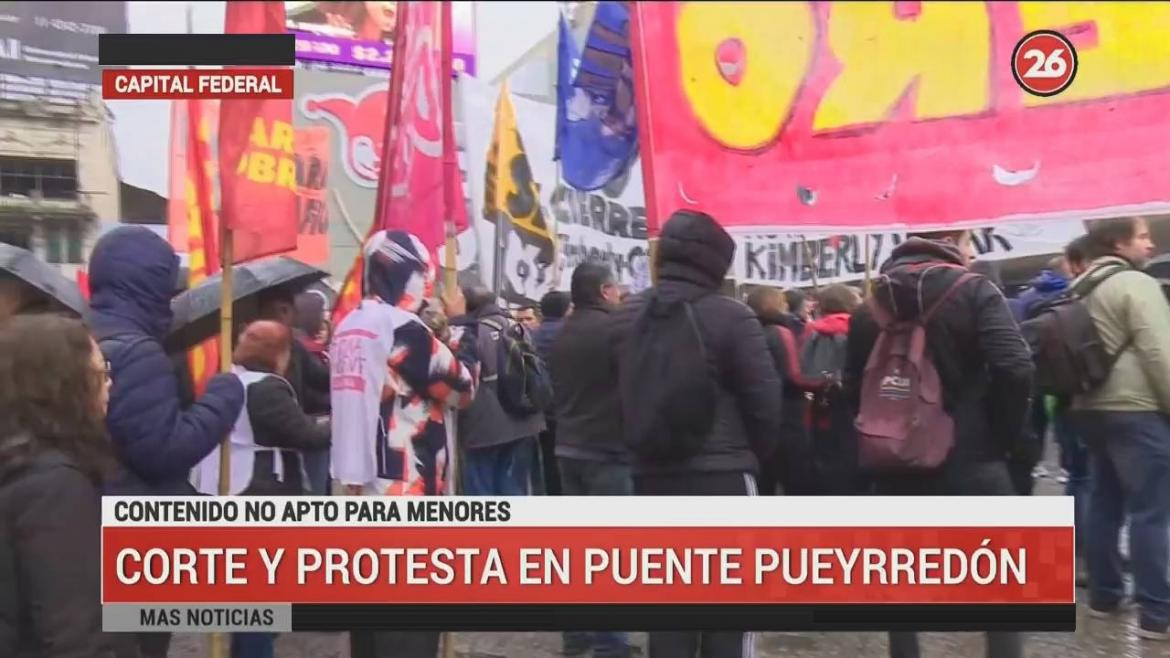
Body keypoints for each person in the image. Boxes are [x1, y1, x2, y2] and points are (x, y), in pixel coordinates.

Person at [844, 229, 1034, 658]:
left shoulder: (870, 306)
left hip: (894, 458)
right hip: (973, 454)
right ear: (951, 239)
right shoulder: (975, 290)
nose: (970, 251)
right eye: (968, 241)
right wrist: (1002, 434)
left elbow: (854, 385)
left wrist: (883, 430)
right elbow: (1015, 366)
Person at [613, 209, 782, 658]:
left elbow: (618, 395)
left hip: (652, 481)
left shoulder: (628, 315)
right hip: (723, 481)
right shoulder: (732, 317)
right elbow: (765, 408)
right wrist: (756, 462)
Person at [88, 227, 245, 658]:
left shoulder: (81, 335)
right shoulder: (138, 352)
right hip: (135, 539)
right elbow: (164, 451)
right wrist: (224, 396)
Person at [331, 230, 477, 658]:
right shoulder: (399, 327)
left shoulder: (348, 325)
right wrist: (463, 327)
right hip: (407, 494)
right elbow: (461, 387)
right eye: (420, 273)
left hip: (360, 490)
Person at [0, 314, 127, 658]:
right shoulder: (54, 486)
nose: (109, 384)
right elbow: (74, 635)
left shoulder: (19, 461)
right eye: (100, 374)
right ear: (63, 386)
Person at [1072, 217, 1170, 639]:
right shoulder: (1136, 285)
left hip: (1091, 408)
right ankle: (1157, 614)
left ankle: (1105, 596)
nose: (1150, 245)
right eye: (1144, 236)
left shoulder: (1079, 288)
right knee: (1152, 510)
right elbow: (1158, 351)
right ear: (1118, 242)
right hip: (1136, 408)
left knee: (1105, 503)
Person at [549, 263, 631, 658]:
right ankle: (609, 642)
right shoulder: (615, 330)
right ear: (604, 290)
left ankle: (576, 636)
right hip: (608, 452)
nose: (618, 294)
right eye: (615, 287)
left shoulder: (564, 330)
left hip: (569, 448)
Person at [453, 287, 546, 495]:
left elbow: (462, 378)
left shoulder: (471, 332)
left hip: (485, 429)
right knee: (515, 487)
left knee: (481, 489)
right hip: (525, 421)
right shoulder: (519, 328)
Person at [745, 286, 818, 495]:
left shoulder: (749, 331)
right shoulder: (781, 332)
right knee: (796, 480)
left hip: (759, 418)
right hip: (789, 415)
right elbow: (795, 375)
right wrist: (821, 381)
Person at [257, 288, 332, 495]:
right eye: (290, 310)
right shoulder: (257, 348)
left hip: (296, 442)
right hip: (269, 454)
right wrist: (338, 423)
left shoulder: (294, 346)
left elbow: (323, 379)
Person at [802, 284, 863, 494]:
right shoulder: (860, 326)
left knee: (826, 456)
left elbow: (806, 372)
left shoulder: (813, 330)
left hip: (822, 401)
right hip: (854, 400)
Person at [531, 290, 571, 495]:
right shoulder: (571, 334)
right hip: (566, 408)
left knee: (547, 461)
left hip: (539, 409)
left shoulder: (531, 336)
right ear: (566, 309)